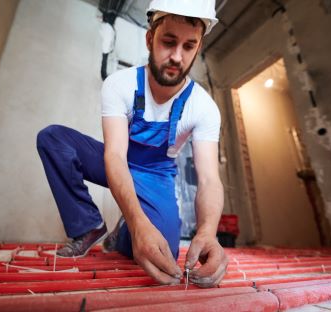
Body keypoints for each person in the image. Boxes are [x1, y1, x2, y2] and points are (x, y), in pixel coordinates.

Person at [36, 0, 228, 287]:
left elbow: (210, 179)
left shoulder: (203, 107)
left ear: (198, 48)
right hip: (121, 159)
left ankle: (123, 233)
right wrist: (140, 223)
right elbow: (113, 156)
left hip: (157, 174)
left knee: (163, 251)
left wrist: (208, 232)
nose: (177, 56)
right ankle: (88, 225)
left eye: (188, 46)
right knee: (53, 138)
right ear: (150, 38)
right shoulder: (120, 85)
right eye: (168, 41)